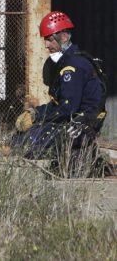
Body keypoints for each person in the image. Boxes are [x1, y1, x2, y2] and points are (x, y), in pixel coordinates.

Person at [13, 11, 107, 160]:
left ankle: (79, 158)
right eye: (45, 40)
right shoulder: (68, 62)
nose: (46, 45)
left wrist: (39, 117)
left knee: (27, 142)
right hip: (76, 123)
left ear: (64, 37)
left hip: (80, 127)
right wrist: (35, 113)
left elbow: (68, 108)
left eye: (50, 39)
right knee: (20, 138)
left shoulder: (73, 66)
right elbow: (61, 104)